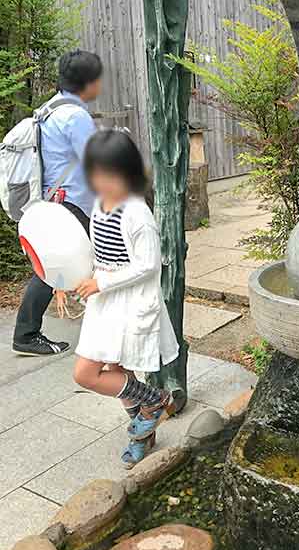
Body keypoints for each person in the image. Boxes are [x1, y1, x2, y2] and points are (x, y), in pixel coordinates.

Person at [72, 129, 178, 467]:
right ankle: (151, 411)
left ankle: (149, 414)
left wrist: (101, 283)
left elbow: (148, 266)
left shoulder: (137, 213)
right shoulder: (100, 205)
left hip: (129, 303)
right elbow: (96, 250)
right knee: (112, 372)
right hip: (104, 301)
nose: (100, 181)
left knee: (89, 373)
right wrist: (68, 279)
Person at [13, 50, 103, 357]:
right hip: (75, 203)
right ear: (87, 83)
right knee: (91, 263)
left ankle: (26, 332)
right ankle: (28, 333)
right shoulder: (75, 116)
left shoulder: (49, 108)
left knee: (55, 266)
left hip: (55, 199)